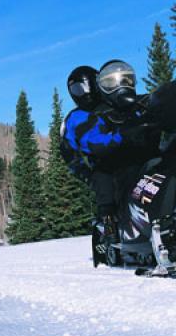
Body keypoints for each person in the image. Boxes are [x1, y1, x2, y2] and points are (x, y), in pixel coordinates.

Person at [60, 61, 159, 264]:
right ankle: (111, 229)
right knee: (105, 182)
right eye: (78, 89)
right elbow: (94, 142)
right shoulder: (78, 116)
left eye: (86, 86)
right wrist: (122, 135)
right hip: (100, 163)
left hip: (133, 153)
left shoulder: (115, 104)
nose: (84, 92)